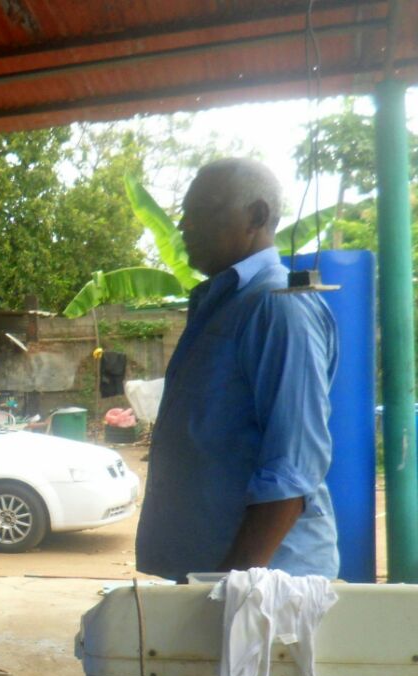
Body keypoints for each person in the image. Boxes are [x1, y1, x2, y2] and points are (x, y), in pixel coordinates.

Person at [135, 158, 339, 582]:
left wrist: (230, 588)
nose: (185, 226)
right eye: (184, 214)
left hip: (259, 586)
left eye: (203, 210)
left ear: (257, 216)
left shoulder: (277, 307)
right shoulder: (225, 305)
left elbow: (293, 467)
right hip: (217, 576)